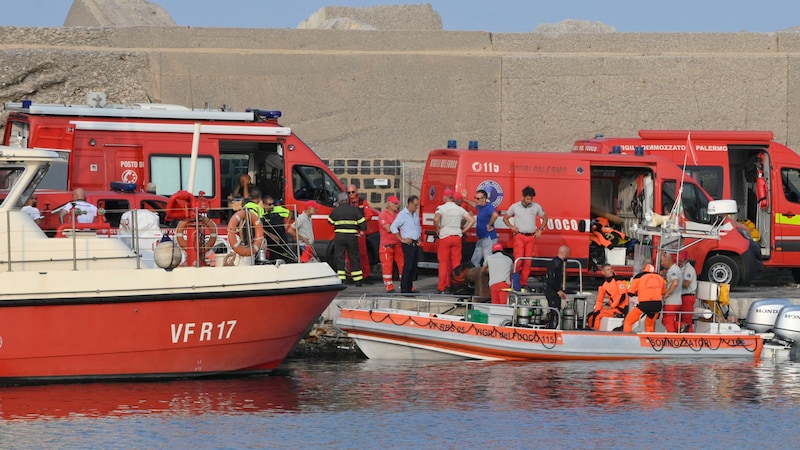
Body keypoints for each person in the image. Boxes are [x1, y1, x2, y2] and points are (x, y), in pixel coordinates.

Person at [502, 185, 548, 289]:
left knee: (528, 262)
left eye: (531, 199)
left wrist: (540, 229)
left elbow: (545, 218)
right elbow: (505, 218)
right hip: (520, 236)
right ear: (523, 197)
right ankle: (514, 282)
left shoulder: (536, 206)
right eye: (527, 198)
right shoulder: (515, 206)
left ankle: (523, 284)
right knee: (518, 261)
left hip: (531, 237)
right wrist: (511, 227)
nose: (529, 201)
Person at [433, 188, 475, 294]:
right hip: (457, 237)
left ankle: (442, 286)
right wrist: (464, 230)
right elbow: (472, 220)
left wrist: (437, 229)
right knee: (456, 264)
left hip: (445, 237)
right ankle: (455, 285)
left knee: (443, 263)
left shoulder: (441, 208)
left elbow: (436, 219)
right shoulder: (459, 209)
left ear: (445, 197)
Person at [329, 192, 367, 285]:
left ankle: (342, 279)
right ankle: (358, 280)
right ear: (347, 200)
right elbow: (362, 222)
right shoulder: (354, 210)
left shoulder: (336, 210)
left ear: (339, 201)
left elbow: (330, 221)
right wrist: (361, 232)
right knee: (354, 257)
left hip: (339, 237)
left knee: (340, 258)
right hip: (352, 237)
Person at [391, 195, 421, 294]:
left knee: (413, 267)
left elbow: (417, 227)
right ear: (410, 204)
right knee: (408, 266)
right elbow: (393, 227)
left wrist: (419, 237)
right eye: (415, 205)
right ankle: (405, 289)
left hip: (415, 243)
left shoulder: (415, 215)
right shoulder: (403, 215)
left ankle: (409, 287)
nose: (416, 207)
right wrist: (401, 239)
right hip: (408, 244)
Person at [460, 189, 499, 268]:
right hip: (482, 238)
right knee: (474, 261)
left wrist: (489, 225)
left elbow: (495, 215)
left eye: (478, 198)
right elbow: (474, 204)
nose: (476, 200)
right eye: (475, 197)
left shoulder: (488, 207)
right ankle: (478, 278)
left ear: (484, 199)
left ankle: (489, 279)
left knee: (487, 261)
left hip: (488, 238)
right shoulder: (480, 207)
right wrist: (464, 199)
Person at [623, 264, 666, 332]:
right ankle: (650, 341)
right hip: (657, 305)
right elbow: (663, 292)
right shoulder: (660, 277)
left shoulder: (639, 276)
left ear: (644, 269)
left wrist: (638, 293)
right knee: (649, 325)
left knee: (628, 322)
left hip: (644, 304)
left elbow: (630, 292)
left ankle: (628, 340)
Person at [587, 264, 629, 331]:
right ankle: (590, 331)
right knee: (591, 315)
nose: (611, 271)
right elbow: (599, 300)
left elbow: (622, 296)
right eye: (608, 269)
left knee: (598, 316)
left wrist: (611, 306)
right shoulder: (603, 285)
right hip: (613, 308)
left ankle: (595, 333)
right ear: (603, 272)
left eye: (611, 269)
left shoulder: (618, 280)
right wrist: (597, 309)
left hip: (621, 309)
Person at [347, 184, 373, 281]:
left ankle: (366, 275)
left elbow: (369, 215)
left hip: (360, 230)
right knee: (349, 254)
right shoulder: (346, 203)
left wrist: (359, 221)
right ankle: (353, 275)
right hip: (349, 231)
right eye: (349, 192)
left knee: (362, 253)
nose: (351, 194)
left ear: (356, 191)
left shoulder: (363, 202)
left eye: (353, 192)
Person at [379, 195, 404, 293]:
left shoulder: (399, 214)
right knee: (387, 265)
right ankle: (389, 285)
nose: (396, 205)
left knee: (403, 264)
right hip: (387, 244)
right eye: (394, 203)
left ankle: (405, 283)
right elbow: (388, 228)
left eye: (397, 203)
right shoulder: (383, 215)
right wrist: (398, 225)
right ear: (389, 203)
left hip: (398, 242)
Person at [544, 245, 570, 329]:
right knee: (555, 310)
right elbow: (551, 277)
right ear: (565, 253)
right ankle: (552, 328)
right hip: (552, 290)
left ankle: (553, 327)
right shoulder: (557, 262)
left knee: (555, 310)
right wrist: (558, 290)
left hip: (551, 289)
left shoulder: (556, 261)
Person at [263, 195, 292, 260]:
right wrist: (271, 235)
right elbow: (259, 226)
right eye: (269, 204)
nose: (272, 206)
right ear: (264, 204)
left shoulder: (278, 209)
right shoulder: (261, 212)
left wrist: (286, 224)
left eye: (273, 204)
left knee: (285, 257)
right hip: (270, 240)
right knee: (274, 258)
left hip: (282, 237)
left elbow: (290, 213)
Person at [661, 251, 683, 332]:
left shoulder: (672, 271)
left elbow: (675, 282)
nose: (662, 263)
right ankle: (682, 325)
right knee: (670, 321)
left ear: (667, 260)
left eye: (663, 261)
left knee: (667, 322)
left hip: (671, 302)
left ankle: (671, 339)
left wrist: (667, 293)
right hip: (678, 302)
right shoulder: (677, 269)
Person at [679, 250, 698, 333]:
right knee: (682, 318)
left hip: (687, 296)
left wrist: (675, 283)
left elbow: (686, 283)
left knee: (687, 319)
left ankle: (689, 336)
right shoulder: (682, 268)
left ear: (685, 259)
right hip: (683, 296)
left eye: (681, 259)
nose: (679, 261)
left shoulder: (689, 269)